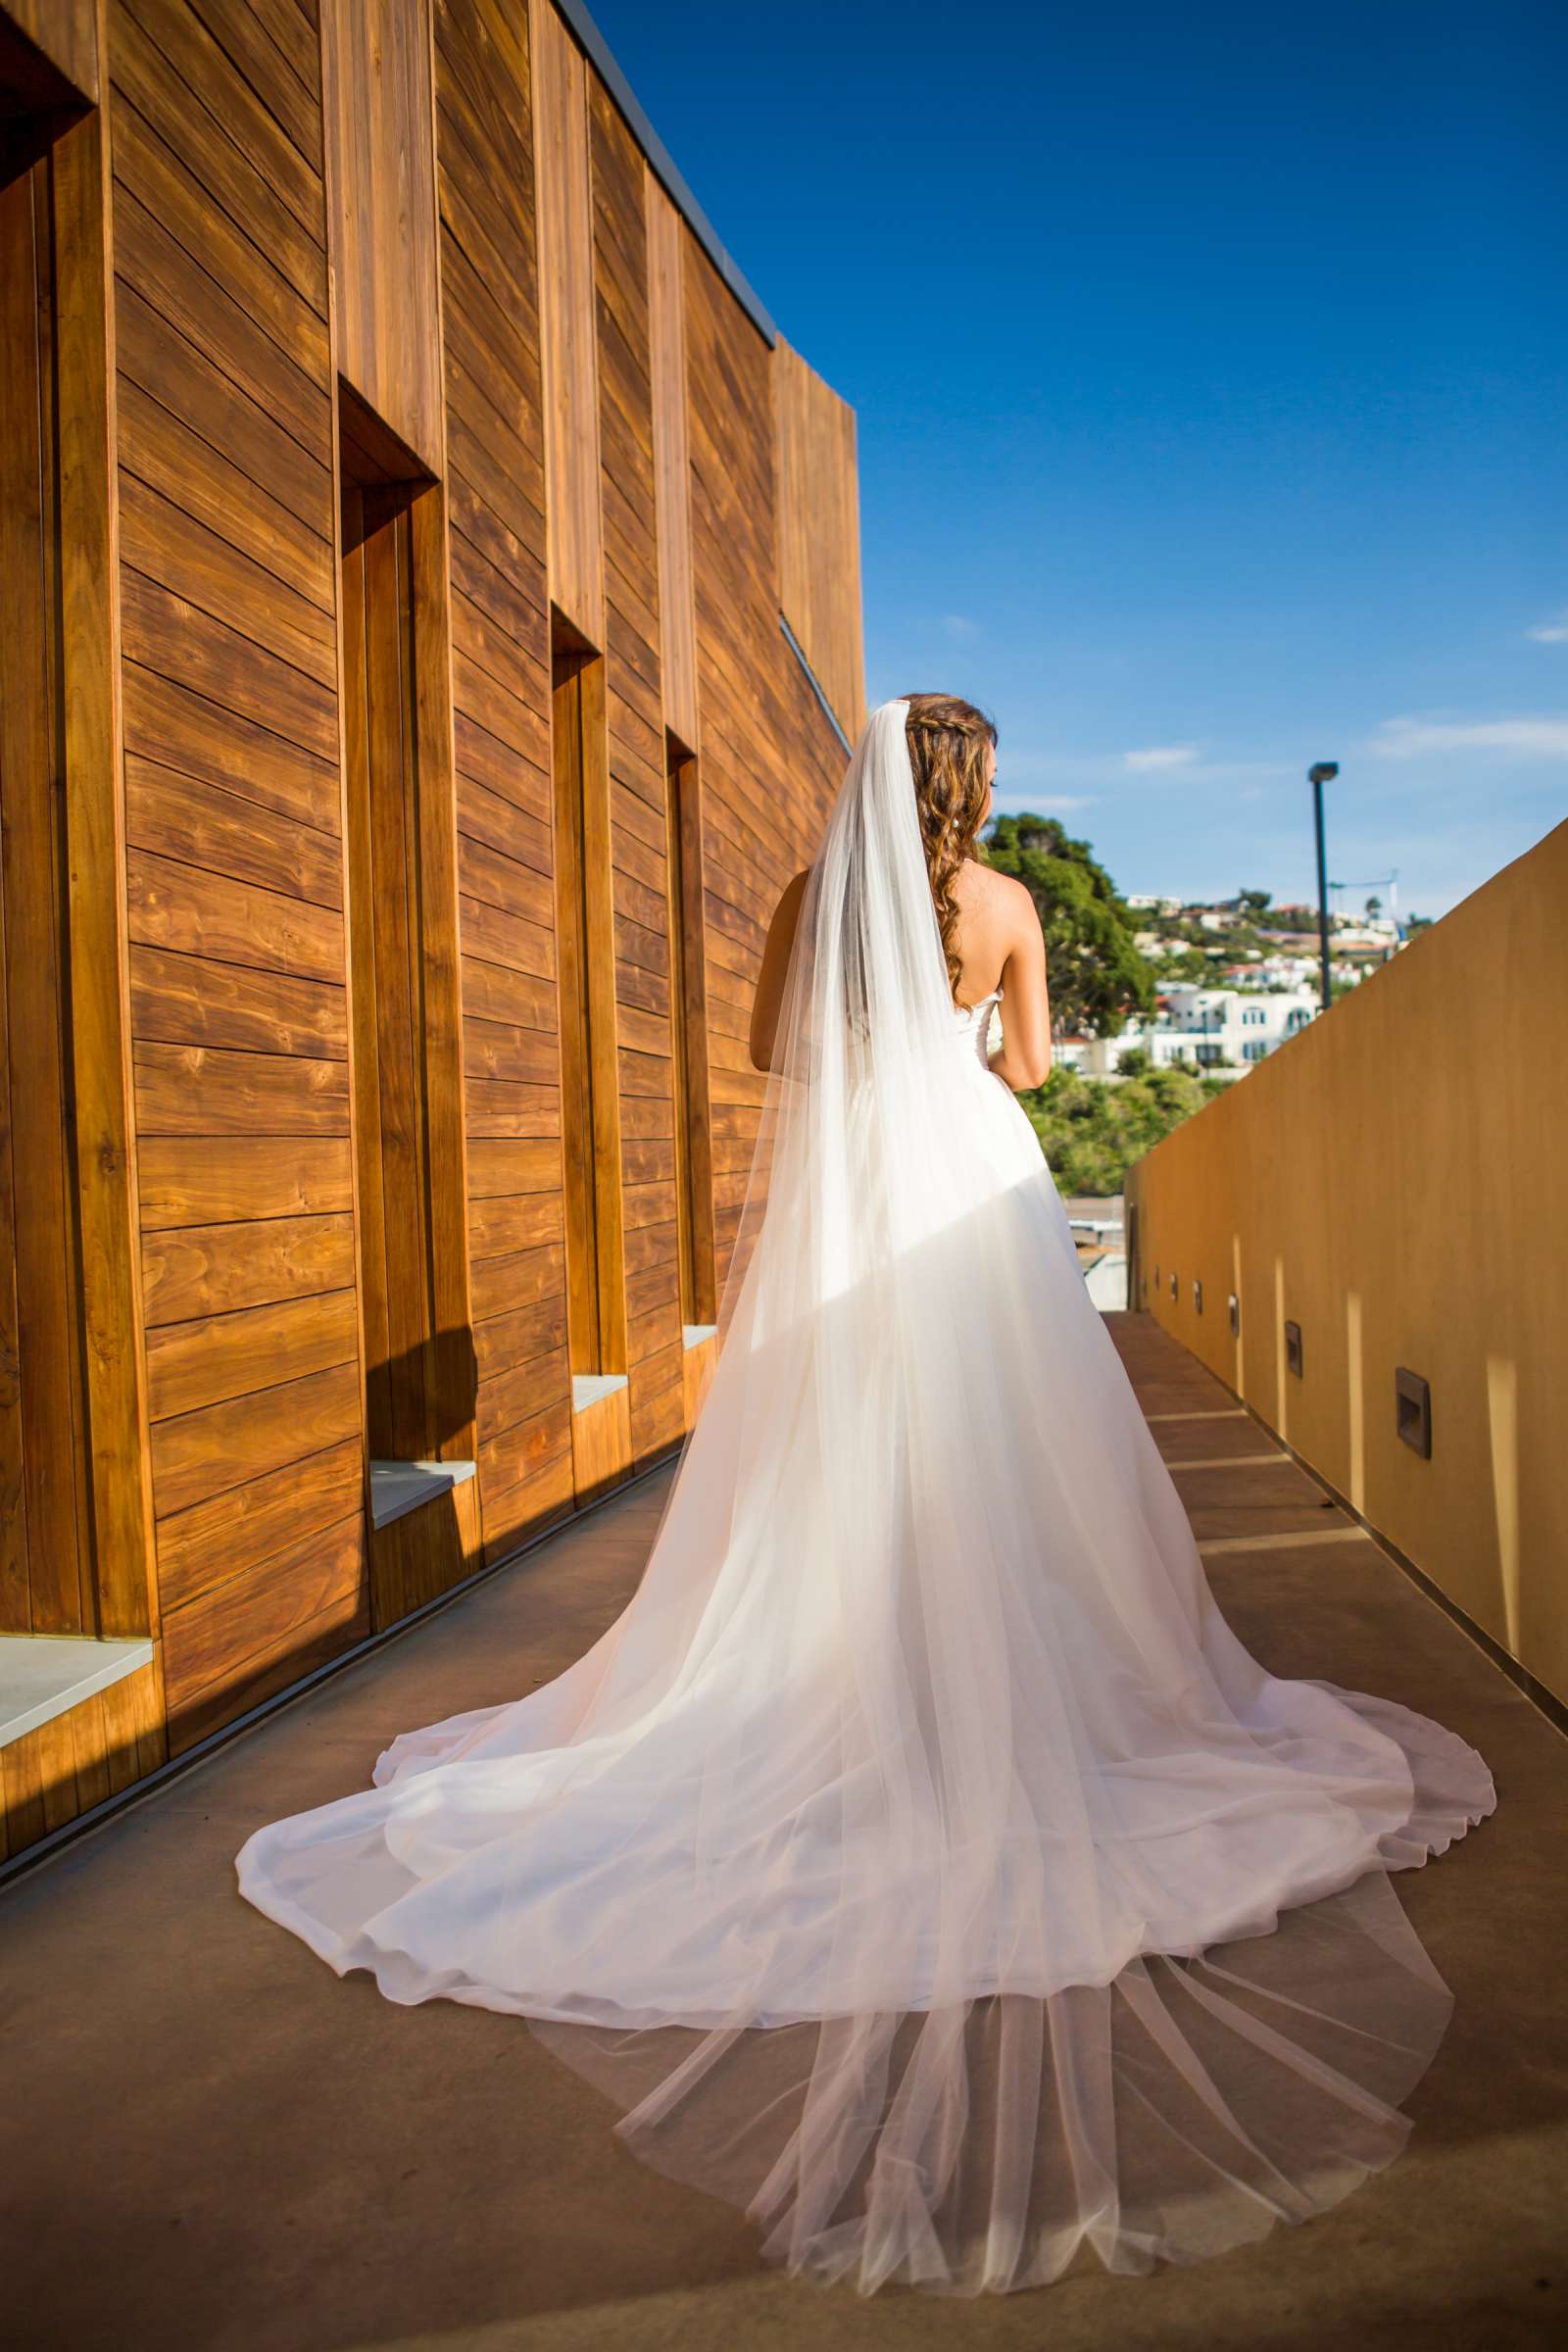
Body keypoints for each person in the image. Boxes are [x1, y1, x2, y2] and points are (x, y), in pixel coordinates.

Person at [237, 695, 1494, 2297]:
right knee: (1009, 1462)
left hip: (863, 1182)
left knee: (838, 1467)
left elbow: (772, 1050)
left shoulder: (816, 897)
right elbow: (1031, 1064)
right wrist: (969, 1029)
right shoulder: (1009, 908)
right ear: (975, 789)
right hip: (969, 1173)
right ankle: (1003, 1704)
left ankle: (851, 1699)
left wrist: (868, 1042)